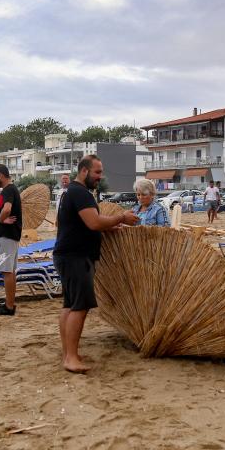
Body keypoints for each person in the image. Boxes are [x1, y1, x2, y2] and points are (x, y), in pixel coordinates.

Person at [54, 155, 139, 373]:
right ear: (84, 171)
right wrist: (121, 218)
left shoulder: (72, 192)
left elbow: (83, 224)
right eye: (97, 172)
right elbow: (93, 222)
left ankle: (68, 353)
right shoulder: (80, 193)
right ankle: (70, 358)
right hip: (76, 257)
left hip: (68, 256)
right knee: (80, 307)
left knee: (70, 305)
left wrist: (108, 227)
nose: (100, 177)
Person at [0, 165, 23, 316]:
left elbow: (7, 208)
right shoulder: (11, 189)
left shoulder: (8, 190)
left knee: (7, 271)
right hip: (10, 236)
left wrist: (2, 220)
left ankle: (9, 307)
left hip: (6, 235)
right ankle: (9, 303)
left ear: (1, 175)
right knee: (10, 271)